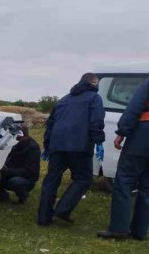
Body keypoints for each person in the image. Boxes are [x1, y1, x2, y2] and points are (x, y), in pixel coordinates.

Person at [36, 72, 105, 225]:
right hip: (79, 147)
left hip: (57, 146)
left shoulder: (63, 100)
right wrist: (99, 141)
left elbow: (50, 125)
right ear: (94, 84)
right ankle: (63, 209)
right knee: (84, 178)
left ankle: (43, 217)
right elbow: (96, 121)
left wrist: (47, 147)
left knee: (51, 180)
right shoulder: (94, 98)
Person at [97, 76, 149, 240]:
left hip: (143, 137)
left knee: (124, 181)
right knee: (147, 188)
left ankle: (119, 228)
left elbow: (134, 107)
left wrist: (121, 132)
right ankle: (140, 231)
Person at [0, 126, 41, 203]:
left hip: (27, 178)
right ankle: (2, 195)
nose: (15, 140)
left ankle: (23, 196)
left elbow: (31, 171)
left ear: (24, 136)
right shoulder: (12, 145)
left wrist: (9, 171)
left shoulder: (33, 148)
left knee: (14, 182)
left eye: (17, 138)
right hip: (11, 172)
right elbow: (8, 158)